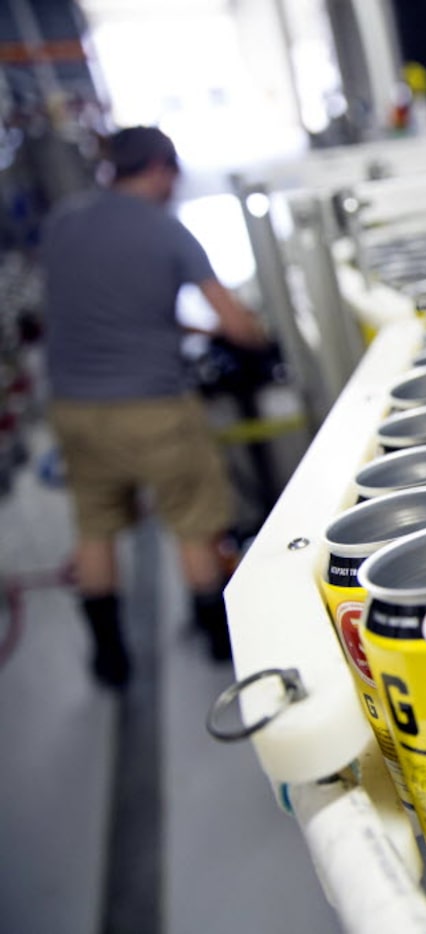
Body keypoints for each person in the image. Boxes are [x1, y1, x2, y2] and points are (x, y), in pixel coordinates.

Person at [40, 125, 267, 688]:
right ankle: (217, 641)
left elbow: (97, 306)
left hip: (74, 408)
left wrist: (177, 323)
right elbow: (237, 324)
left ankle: (110, 657)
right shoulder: (168, 231)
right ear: (162, 169)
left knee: (95, 527)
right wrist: (257, 336)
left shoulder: (63, 222)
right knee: (194, 523)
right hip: (154, 408)